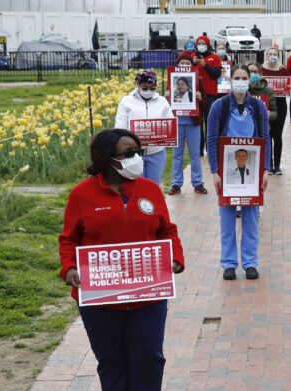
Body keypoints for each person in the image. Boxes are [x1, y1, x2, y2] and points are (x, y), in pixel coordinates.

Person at [58, 128, 185, 391]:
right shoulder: (81, 195)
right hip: (100, 298)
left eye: (137, 151)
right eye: (127, 153)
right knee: (112, 360)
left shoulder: (149, 190)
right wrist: (70, 268)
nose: (136, 158)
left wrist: (176, 258)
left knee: (149, 357)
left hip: (148, 294)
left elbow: (166, 230)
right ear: (106, 158)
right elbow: (69, 239)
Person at [207, 64, 271, 281]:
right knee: (227, 220)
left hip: (252, 170)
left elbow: (265, 138)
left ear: (250, 81)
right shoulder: (219, 106)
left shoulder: (258, 107)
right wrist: (214, 170)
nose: (241, 80)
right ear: (231, 80)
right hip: (226, 171)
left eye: (245, 77)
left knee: (251, 219)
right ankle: (229, 264)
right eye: (237, 77)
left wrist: (265, 169)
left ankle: (251, 263)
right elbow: (212, 139)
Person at [114, 71, 174, 184]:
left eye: (152, 88)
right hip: (133, 154)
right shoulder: (126, 102)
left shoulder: (162, 102)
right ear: (138, 85)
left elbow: (169, 124)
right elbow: (119, 128)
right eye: (145, 88)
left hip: (157, 153)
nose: (148, 91)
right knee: (135, 187)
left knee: (153, 187)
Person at [168, 52, 207, 196]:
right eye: (182, 63)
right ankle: (176, 183)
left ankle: (197, 182)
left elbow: (204, 104)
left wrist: (200, 97)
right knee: (177, 153)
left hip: (193, 122)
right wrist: (167, 97)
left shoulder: (198, 80)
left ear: (192, 65)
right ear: (177, 66)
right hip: (177, 121)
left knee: (195, 154)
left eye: (187, 63)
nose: (184, 66)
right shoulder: (172, 80)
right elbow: (167, 105)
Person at [260, 47, 288, 174]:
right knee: (267, 135)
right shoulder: (261, 70)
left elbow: (289, 85)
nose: (272, 56)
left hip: (280, 104)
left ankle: (277, 165)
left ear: (278, 56)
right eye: (269, 54)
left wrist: (290, 87)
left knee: (278, 136)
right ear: (266, 55)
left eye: (274, 54)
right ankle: (268, 165)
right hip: (266, 104)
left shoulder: (284, 70)